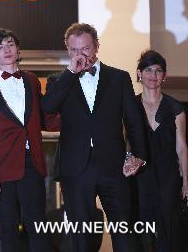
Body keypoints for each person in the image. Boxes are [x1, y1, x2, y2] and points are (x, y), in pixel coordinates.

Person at [41, 23, 147, 252]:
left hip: (114, 166)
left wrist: (137, 155)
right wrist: (70, 73)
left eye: (86, 49)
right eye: (74, 50)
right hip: (76, 168)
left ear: (97, 46)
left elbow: (133, 121)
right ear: (67, 50)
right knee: (81, 239)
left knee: (124, 233)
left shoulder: (118, 78)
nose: (80, 55)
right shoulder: (58, 80)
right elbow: (47, 107)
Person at [0, 28, 52, 251]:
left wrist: (79, 119)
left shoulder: (31, 80)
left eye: (10, 44)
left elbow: (43, 118)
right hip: (2, 170)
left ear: (18, 48)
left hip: (33, 163)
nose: (7, 50)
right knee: (8, 230)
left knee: (38, 227)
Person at [134, 50, 187, 251]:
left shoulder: (176, 108)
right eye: (148, 70)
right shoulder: (131, 105)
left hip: (169, 175)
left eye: (158, 70)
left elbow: (182, 147)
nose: (153, 75)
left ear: (164, 75)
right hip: (140, 176)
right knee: (142, 228)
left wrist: (186, 181)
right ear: (139, 73)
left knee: (169, 226)